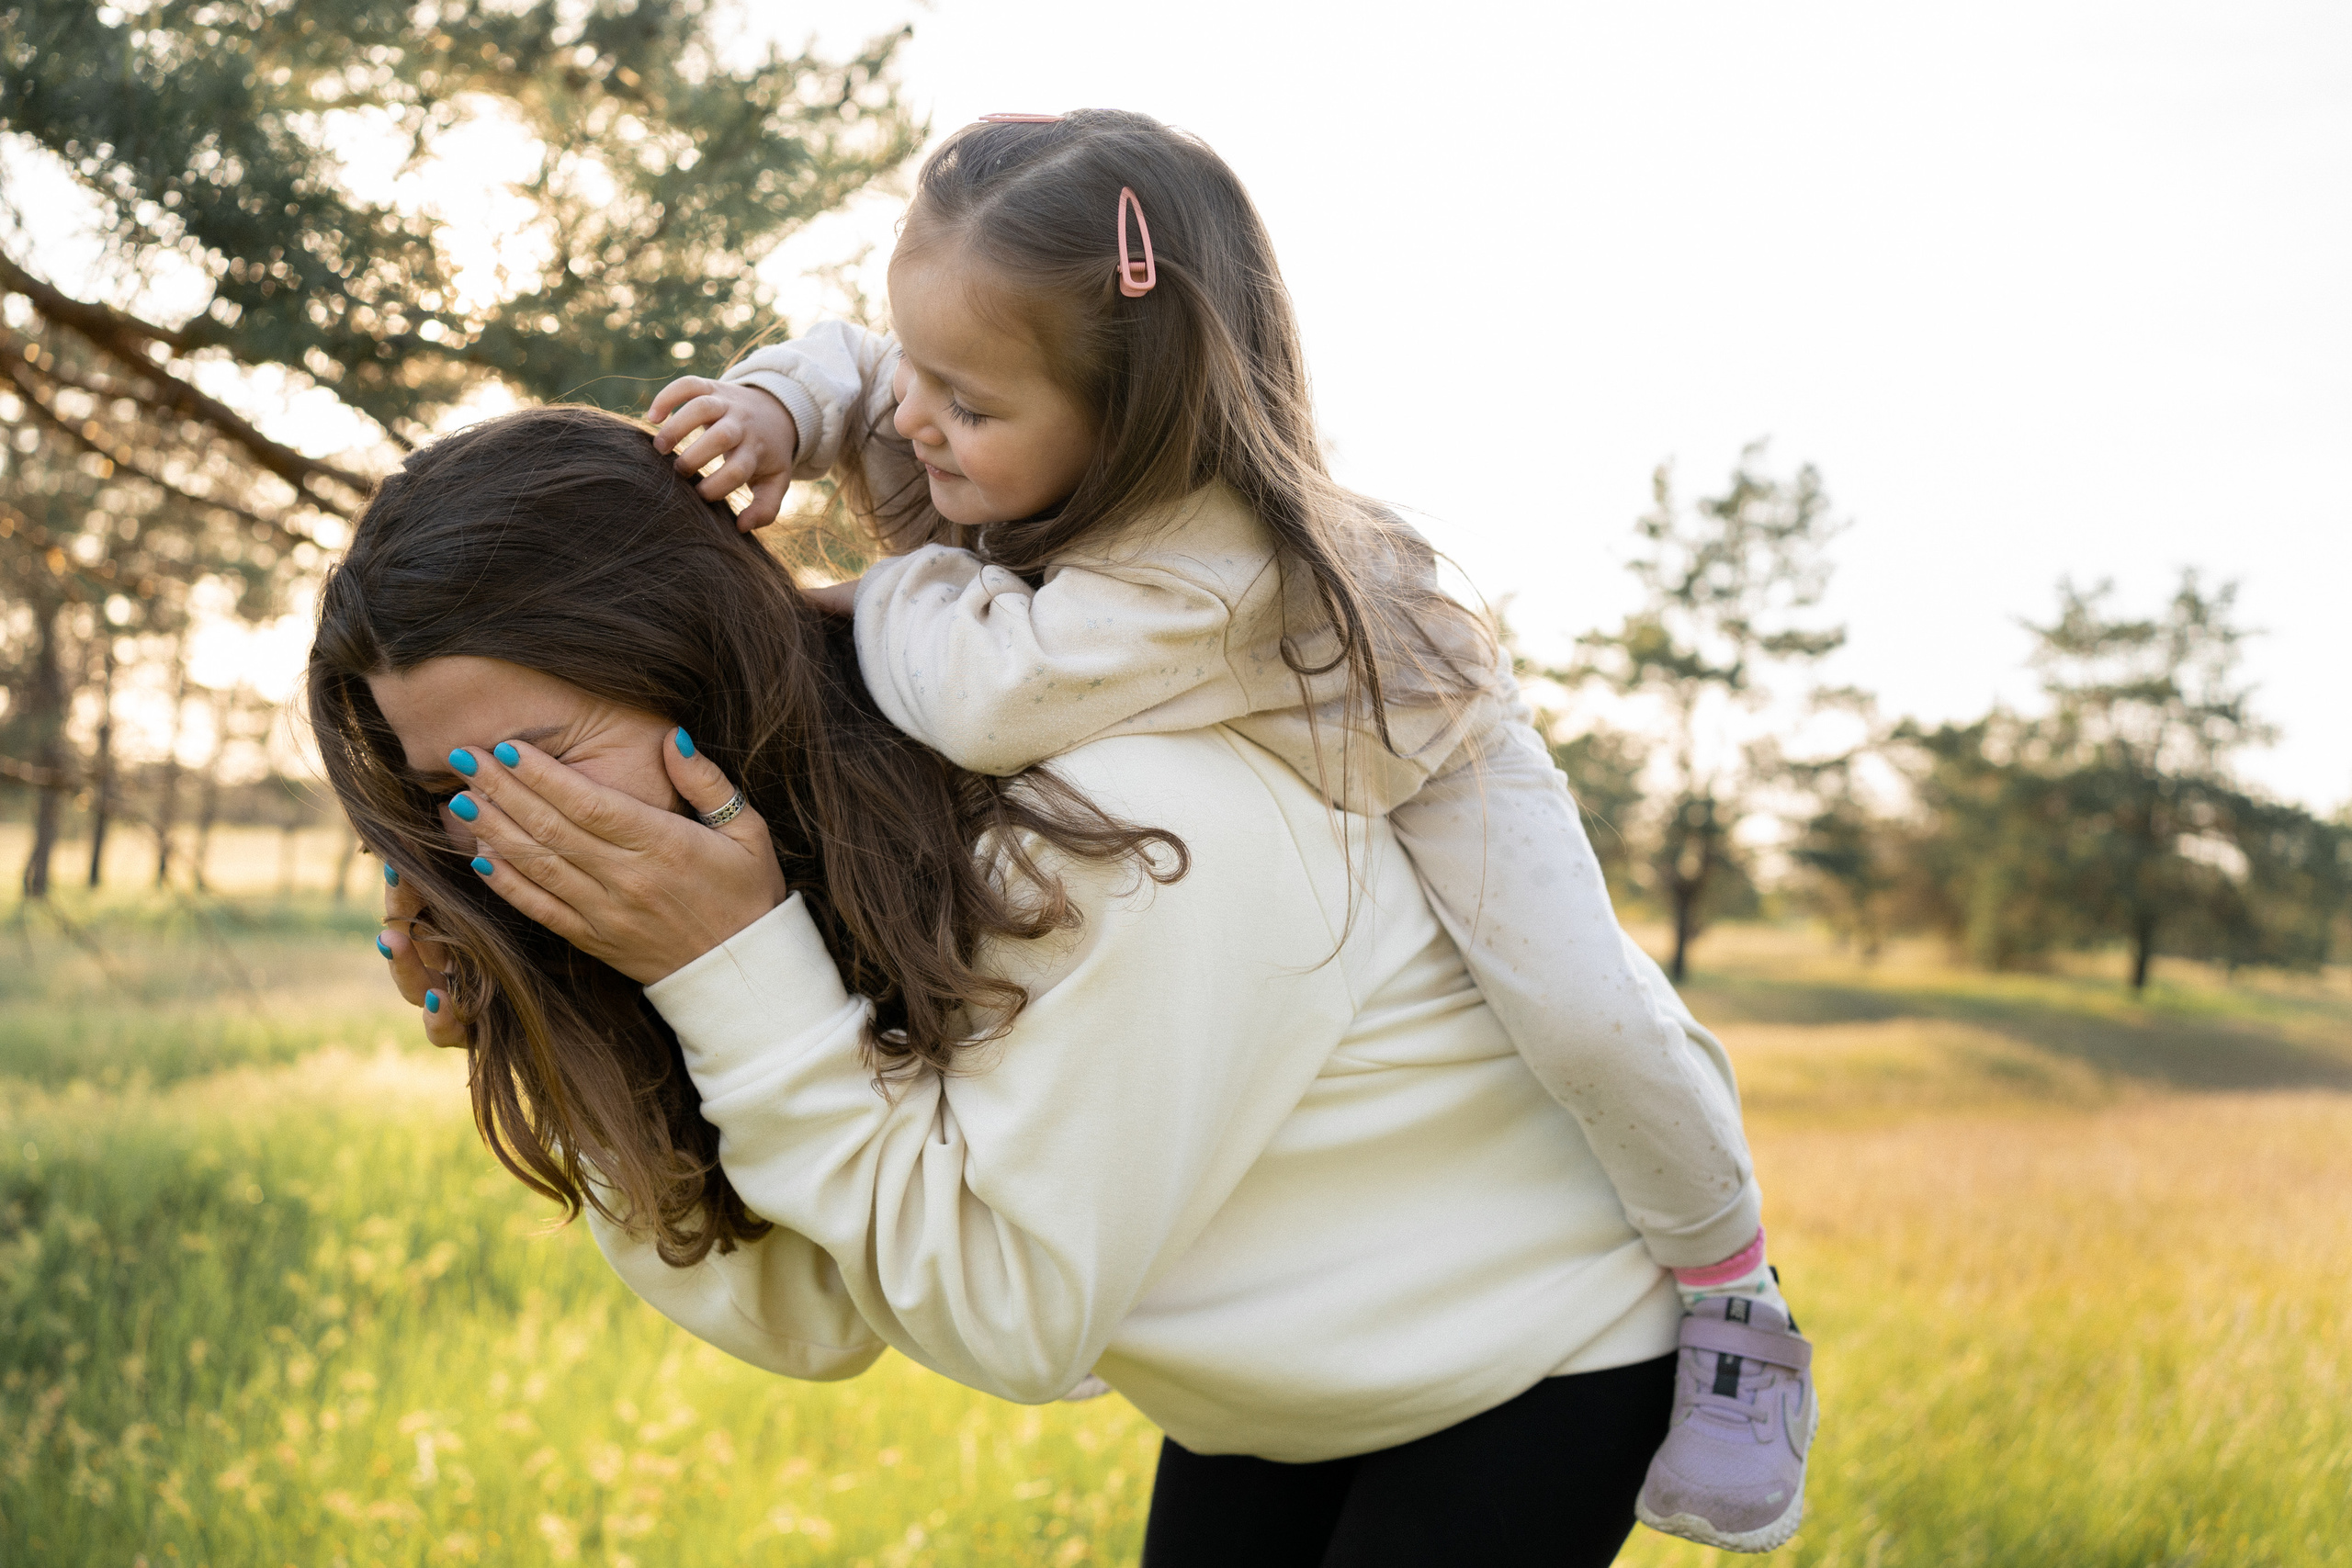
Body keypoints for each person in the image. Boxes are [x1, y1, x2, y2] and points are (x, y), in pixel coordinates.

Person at [647, 108, 1815, 1551]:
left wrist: (850, 602)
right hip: (1288, 1379)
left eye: (969, 405)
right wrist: (779, 405)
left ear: (1137, 411)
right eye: (921, 374)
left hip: (1420, 735)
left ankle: (1733, 1298)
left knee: (1584, 1012)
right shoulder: (983, 401)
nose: (911, 422)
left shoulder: (1194, 572)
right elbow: (860, 366)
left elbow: (982, 694)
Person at [313, 401, 1753, 1565]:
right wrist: (589, 1045)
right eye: (457, 790)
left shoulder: (1122, 814)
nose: (503, 833)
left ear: (688, 657)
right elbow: (820, 1314)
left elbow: (1006, 1316)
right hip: (1265, 1395)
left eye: (537, 761)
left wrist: (731, 974)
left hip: (1527, 1366)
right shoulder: (789, 849)